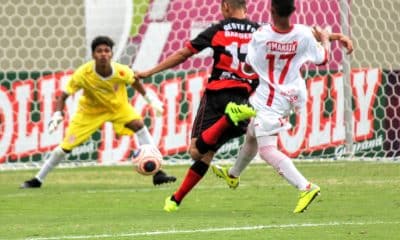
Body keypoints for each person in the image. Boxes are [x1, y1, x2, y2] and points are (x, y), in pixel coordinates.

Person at [212, 0, 353, 213]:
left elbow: (249, 66)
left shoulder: (261, 35)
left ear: (272, 10)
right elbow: (322, 57)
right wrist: (329, 39)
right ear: (293, 11)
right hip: (292, 94)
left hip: (270, 99)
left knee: (267, 150)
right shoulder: (303, 34)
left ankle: (305, 187)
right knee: (252, 133)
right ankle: (233, 175)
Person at [135, 0, 260, 212]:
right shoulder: (260, 32)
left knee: (195, 151)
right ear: (245, 8)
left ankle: (227, 119)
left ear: (226, 6)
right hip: (243, 99)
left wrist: (150, 72)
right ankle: (175, 199)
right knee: (207, 154)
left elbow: (184, 54)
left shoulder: (218, 30)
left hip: (217, 96)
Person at [20, 36, 176, 189]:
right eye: (99, 51)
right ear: (93, 55)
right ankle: (37, 179)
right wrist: (57, 114)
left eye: (106, 50)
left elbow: (134, 80)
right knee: (64, 148)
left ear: (111, 54)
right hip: (90, 112)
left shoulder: (121, 71)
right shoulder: (83, 73)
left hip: (117, 108)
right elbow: (63, 95)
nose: (103, 54)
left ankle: (158, 171)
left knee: (139, 124)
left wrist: (150, 100)